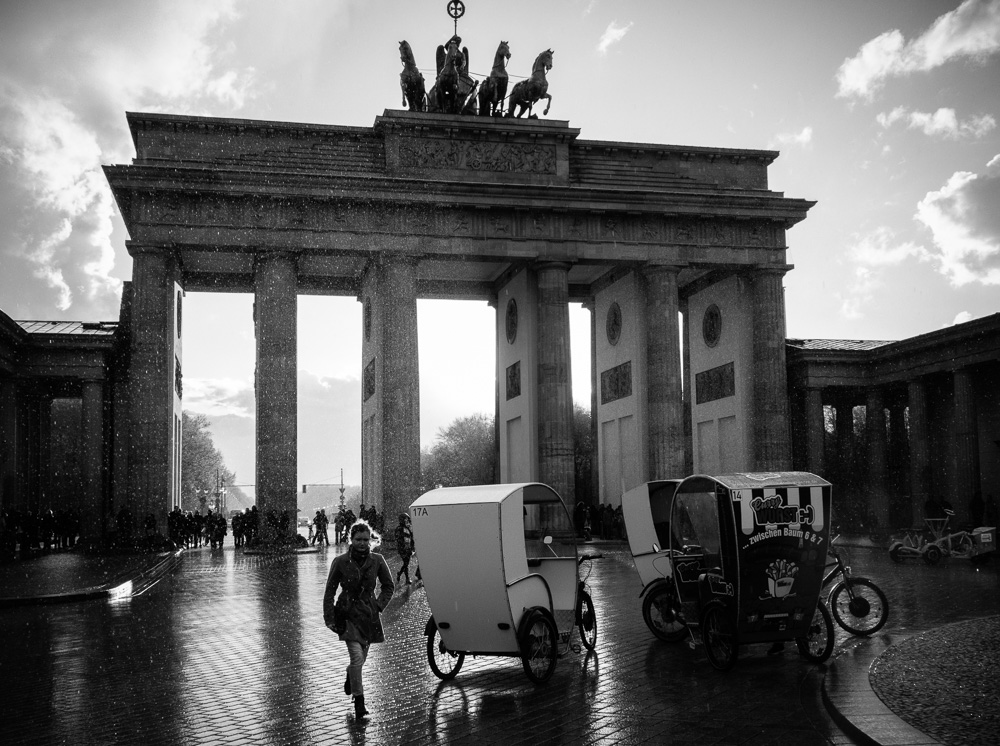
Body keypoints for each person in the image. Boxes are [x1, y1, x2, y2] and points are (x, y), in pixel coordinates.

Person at [323, 520, 394, 720]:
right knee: (356, 657)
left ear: (370, 540)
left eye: (365, 539)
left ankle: (350, 675)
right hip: (347, 614)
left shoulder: (378, 560)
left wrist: (379, 605)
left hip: (369, 616)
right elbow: (330, 591)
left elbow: (389, 586)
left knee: (359, 660)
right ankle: (359, 702)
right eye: (358, 539)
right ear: (351, 540)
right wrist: (329, 617)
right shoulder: (340, 561)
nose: (362, 543)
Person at [394, 513, 414, 585]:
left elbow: (411, 539)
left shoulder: (407, 528)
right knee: (406, 563)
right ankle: (407, 579)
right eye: (405, 519)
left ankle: (399, 573)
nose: (406, 520)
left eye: (407, 519)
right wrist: (403, 547)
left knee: (406, 563)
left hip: (408, 549)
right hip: (402, 549)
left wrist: (412, 547)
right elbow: (398, 539)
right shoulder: (399, 529)